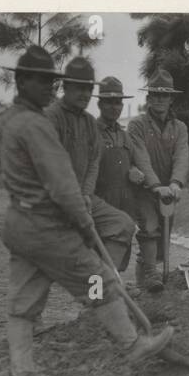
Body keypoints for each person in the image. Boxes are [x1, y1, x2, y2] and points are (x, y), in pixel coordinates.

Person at [0, 46, 175, 376]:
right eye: (44, 81)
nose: (50, 87)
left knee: (23, 305)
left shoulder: (10, 120)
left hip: (21, 225)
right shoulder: (39, 124)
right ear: (22, 81)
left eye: (53, 81)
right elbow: (62, 183)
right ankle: (133, 345)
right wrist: (81, 220)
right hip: (50, 227)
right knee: (103, 280)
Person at [44, 56, 137, 278]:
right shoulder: (51, 118)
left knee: (123, 224)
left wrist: (85, 194)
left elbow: (93, 162)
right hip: (54, 199)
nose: (83, 94)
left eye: (87, 88)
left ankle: (105, 284)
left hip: (85, 199)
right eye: (78, 88)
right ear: (65, 87)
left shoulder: (87, 122)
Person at [127, 68, 189, 291]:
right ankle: (151, 278)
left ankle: (145, 285)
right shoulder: (137, 125)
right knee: (149, 230)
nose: (160, 100)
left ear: (171, 99)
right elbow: (141, 157)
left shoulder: (180, 128)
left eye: (164, 95)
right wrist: (155, 186)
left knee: (161, 241)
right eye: (155, 95)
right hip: (145, 188)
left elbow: (182, 156)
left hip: (169, 192)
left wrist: (176, 183)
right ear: (148, 98)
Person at [92, 76, 144, 228]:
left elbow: (135, 162)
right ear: (100, 104)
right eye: (109, 102)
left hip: (125, 201)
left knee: (123, 246)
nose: (114, 107)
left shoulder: (124, 135)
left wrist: (135, 170)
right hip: (100, 201)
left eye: (118, 103)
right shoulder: (91, 132)